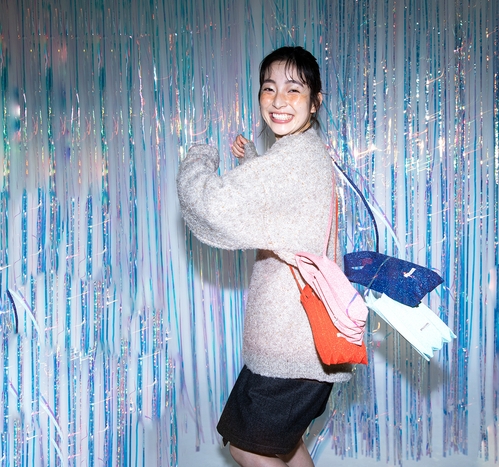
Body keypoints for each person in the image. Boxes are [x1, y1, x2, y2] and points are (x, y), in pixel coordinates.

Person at [176, 46, 353, 467]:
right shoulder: (306, 152)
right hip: (303, 347)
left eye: (294, 89)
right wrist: (253, 161)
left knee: (247, 448)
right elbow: (283, 210)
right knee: (287, 447)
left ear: (315, 101)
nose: (278, 100)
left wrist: (200, 157)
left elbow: (212, 204)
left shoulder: (293, 159)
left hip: (291, 348)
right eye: (269, 88)